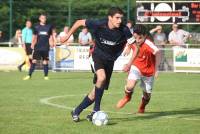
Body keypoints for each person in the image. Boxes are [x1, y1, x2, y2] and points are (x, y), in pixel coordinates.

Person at [61, 7, 136, 122]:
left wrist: (130, 61)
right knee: (101, 78)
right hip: (97, 55)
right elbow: (79, 22)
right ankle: (96, 110)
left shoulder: (124, 30)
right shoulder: (99, 24)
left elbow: (136, 47)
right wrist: (67, 36)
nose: (120, 20)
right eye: (117, 18)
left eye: (121, 18)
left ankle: (76, 111)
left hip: (110, 61)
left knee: (95, 92)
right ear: (110, 18)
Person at [116, 25, 161, 114]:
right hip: (136, 66)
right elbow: (129, 42)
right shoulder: (133, 39)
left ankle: (142, 106)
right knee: (130, 86)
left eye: (140, 38)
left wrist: (156, 69)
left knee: (147, 95)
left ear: (145, 36)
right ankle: (127, 97)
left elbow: (158, 53)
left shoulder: (148, 43)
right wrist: (128, 48)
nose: (137, 40)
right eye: (136, 38)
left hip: (148, 71)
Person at [23, 13, 55, 80]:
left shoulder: (49, 26)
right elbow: (34, 36)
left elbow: (51, 36)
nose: (44, 19)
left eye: (45, 18)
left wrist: (52, 42)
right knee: (34, 61)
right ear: (40, 19)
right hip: (37, 47)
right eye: (42, 18)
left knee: (45, 61)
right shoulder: (36, 27)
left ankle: (46, 76)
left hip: (46, 47)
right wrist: (32, 44)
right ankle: (29, 75)